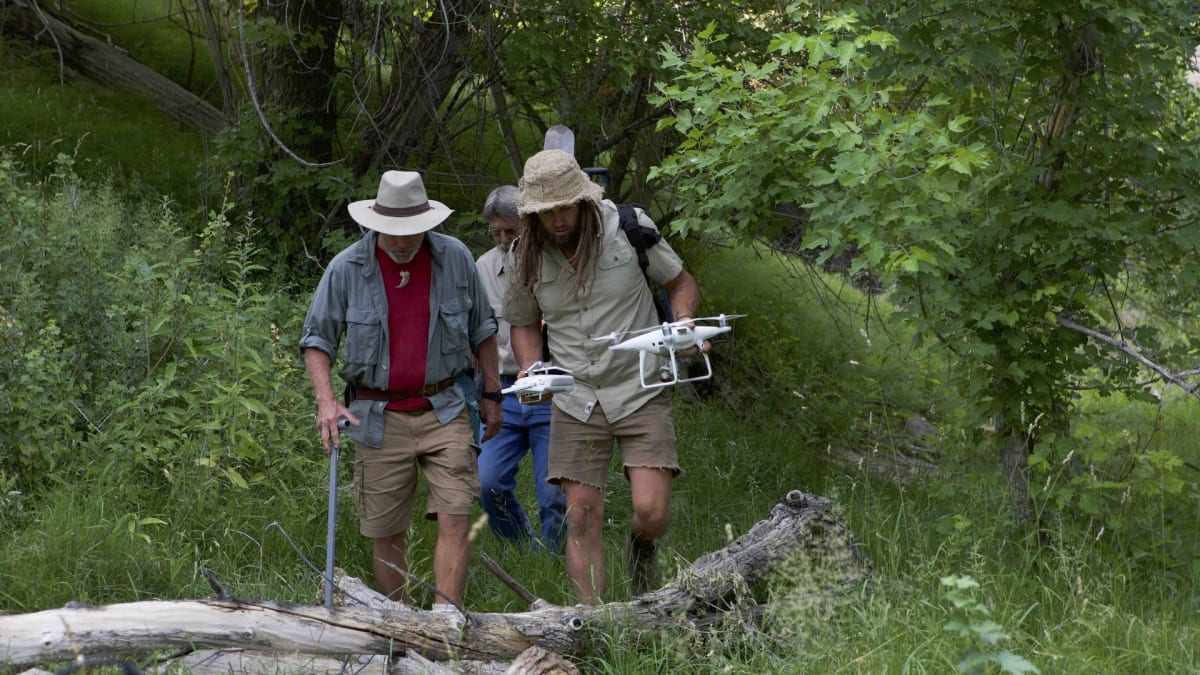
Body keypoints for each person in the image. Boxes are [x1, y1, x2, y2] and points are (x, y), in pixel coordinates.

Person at [504, 150, 706, 602]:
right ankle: (593, 626)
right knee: (580, 516)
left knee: (651, 511)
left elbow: (680, 283)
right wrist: (531, 368)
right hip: (576, 396)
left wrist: (685, 322)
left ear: (582, 201)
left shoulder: (629, 229)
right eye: (544, 212)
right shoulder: (526, 254)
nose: (556, 220)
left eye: (564, 207)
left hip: (640, 384)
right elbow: (522, 321)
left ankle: (640, 547)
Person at [299, 170, 502, 608]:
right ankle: (401, 623)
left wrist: (491, 394)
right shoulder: (347, 268)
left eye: (411, 232)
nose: (402, 241)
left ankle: (446, 622)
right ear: (374, 224)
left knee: (456, 514)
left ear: (428, 225)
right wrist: (326, 400)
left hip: (445, 405)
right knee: (386, 528)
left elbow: (483, 329)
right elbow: (317, 340)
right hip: (377, 415)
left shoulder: (457, 259)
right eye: (392, 232)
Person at [475, 186, 567, 553]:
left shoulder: (558, 261)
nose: (502, 240)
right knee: (488, 482)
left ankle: (554, 560)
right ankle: (520, 549)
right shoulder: (482, 267)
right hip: (506, 392)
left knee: (554, 492)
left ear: (528, 226)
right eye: (496, 232)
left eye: (510, 232)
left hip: (554, 390)